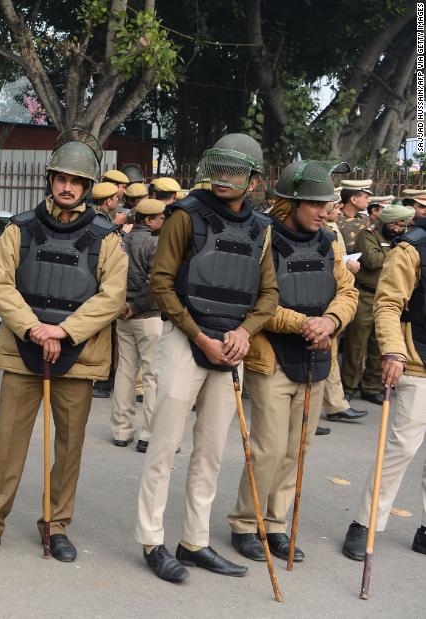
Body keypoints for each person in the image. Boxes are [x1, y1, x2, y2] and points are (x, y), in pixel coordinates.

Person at [0, 129, 127, 561]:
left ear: (88, 188)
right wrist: (35, 329)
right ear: (50, 180)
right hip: (22, 351)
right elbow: (1, 285)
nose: (67, 187)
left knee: (69, 447)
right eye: (60, 178)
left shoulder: (107, 237)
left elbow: (112, 296)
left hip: (81, 356)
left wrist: (65, 331)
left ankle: (57, 526)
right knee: (6, 443)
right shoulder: (21, 229)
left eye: (76, 181)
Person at [135, 133, 278, 584]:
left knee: (212, 452)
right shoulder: (185, 215)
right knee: (164, 447)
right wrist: (199, 335)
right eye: (220, 167)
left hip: (230, 347)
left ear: (253, 181)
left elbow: (269, 293)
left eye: (235, 171)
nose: (224, 178)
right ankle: (152, 540)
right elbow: (161, 283)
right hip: (184, 339)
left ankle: (194, 541)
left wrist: (243, 332)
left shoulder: (261, 228)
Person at [226, 161, 358, 563]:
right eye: (314, 204)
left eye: (326, 204)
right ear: (291, 202)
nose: (324, 211)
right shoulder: (262, 236)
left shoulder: (329, 240)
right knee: (267, 448)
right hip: (273, 359)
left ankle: (276, 523)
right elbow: (257, 299)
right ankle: (246, 525)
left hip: (317, 358)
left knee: (296, 450)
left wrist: (331, 320)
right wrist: (305, 323)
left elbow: (347, 291)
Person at [341, 202, 426, 561]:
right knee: (402, 447)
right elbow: (389, 304)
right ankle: (365, 523)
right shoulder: (412, 247)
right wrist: (394, 350)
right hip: (417, 360)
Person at [111, 198, 166, 453]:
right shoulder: (155, 243)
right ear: (149, 220)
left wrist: (125, 306)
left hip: (123, 314)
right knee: (152, 376)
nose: (163, 221)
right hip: (148, 316)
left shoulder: (122, 241)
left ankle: (121, 431)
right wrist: (137, 306)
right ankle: (148, 433)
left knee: (124, 372)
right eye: (160, 218)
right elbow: (155, 283)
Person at [342, 205, 411, 405]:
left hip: (386, 299)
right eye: (396, 224)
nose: (399, 229)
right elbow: (372, 260)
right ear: (386, 222)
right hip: (365, 296)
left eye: (403, 226)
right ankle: (348, 387)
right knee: (356, 345)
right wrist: (398, 252)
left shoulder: (398, 240)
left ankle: (371, 387)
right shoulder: (368, 235)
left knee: (378, 346)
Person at [319, 198, 367, 429]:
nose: (336, 210)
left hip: (333, 299)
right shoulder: (316, 229)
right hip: (316, 301)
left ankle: (335, 405)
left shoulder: (330, 228)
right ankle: (324, 407)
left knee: (329, 354)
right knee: (320, 355)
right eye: (333, 206)